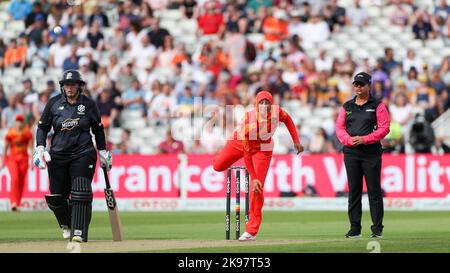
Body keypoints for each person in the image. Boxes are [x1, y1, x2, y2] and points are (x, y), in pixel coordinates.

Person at [33, 70, 112, 243]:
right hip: (58, 156)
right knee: (56, 197)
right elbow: (42, 127)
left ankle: (79, 232)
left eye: (73, 84)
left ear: (79, 86)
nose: (69, 88)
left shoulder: (89, 104)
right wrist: (40, 147)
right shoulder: (54, 103)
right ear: (63, 86)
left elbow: (98, 129)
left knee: (81, 191)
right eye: (67, 85)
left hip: (83, 153)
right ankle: (66, 224)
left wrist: (103, 151)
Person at [213, 91, 303, 241]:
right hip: (240, 143)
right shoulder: (249, 122)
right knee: (217, 166)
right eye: (261, 103)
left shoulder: (277, 111)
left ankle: (251, 231)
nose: (264, 106)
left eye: (267, 103)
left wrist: (296, 141)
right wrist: (252, 177)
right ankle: (221, 155)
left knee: (257, 188)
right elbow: (247, 155)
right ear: (256, 104)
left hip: (264, 148)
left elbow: (289, 121)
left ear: (270, 104)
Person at [336, 72, 390, 239]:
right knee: (354, 191)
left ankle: (377, 228)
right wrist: (349, 141)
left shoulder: (378, 105)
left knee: (374, 191)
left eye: (361, 84)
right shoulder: (347, 106)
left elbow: (384, 128)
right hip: (351, 152)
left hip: (371, 152)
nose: (358, 87)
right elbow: (339, 128)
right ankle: (355, 228)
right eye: (356, 84)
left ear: (369, 86)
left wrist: (365, 139)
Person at [1, 114, 33, 211]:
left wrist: (31, 161)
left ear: (23, 123)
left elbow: (30, 148)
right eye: (17, 121)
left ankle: (17, 203)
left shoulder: (27, 133)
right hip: (12, 158)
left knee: (21, 181)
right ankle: (13, 202)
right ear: (15, 122)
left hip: (24, 159)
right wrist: (2, 161)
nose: (19, 123)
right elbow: (5, 147)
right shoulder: (10, 133)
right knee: (14, 179)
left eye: (21, 121)